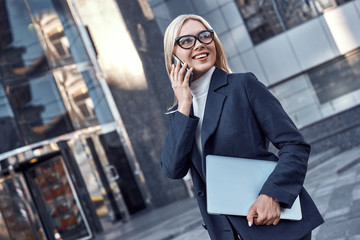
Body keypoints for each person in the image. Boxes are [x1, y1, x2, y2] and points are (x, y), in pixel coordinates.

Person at [160, 14, 324, 240]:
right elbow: (173, 169)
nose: (199, 44)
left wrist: (272, 195)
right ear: (173, 55)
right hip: (228, 232)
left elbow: (294, 144)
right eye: (186, 41)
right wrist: (184, 102)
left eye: (205, 36)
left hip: (273, 223)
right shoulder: (181, 112)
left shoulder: (242, 86)